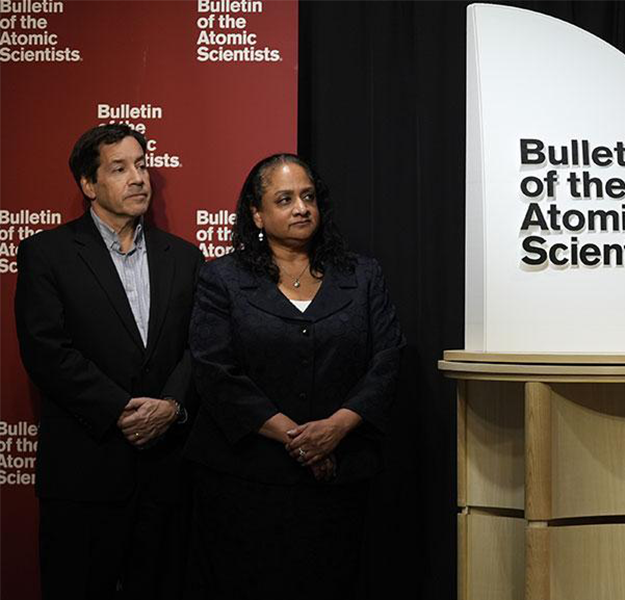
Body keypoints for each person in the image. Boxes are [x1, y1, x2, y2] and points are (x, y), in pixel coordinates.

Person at [182, 153, 404, 598]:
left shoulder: (362, 276)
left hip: (341, 480)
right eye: (284, 199)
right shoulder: (220, 278)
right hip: (244, 482)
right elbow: (214, 370)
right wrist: (300, 441)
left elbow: (388, 360)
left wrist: (337, 428)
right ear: (257, 214)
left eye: (308, 196)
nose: (301, 208)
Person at [15, 123, 203, 599]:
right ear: (88, 184)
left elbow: (201, 347)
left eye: (142, 165)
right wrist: (121, 409)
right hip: (84, 474)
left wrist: (171, 406)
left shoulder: (184, 257)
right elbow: (45, 350)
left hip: (166, 477)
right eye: (119, 168)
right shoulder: (46, 254)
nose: (138, 177)